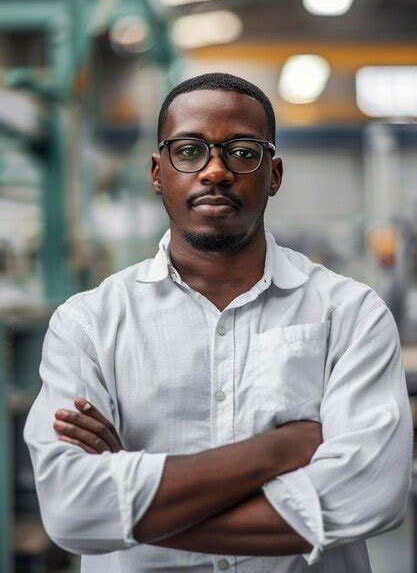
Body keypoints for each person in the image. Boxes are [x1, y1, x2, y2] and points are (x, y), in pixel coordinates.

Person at [24, 72, 413, 573]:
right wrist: (276, 451)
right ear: (157, 172)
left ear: (273, 174)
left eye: (242, 152)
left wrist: (130, 506)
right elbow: (70, 506)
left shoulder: (350, 315)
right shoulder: (87, 325)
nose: (214, 171)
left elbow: (369, 495)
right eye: (189, 150)